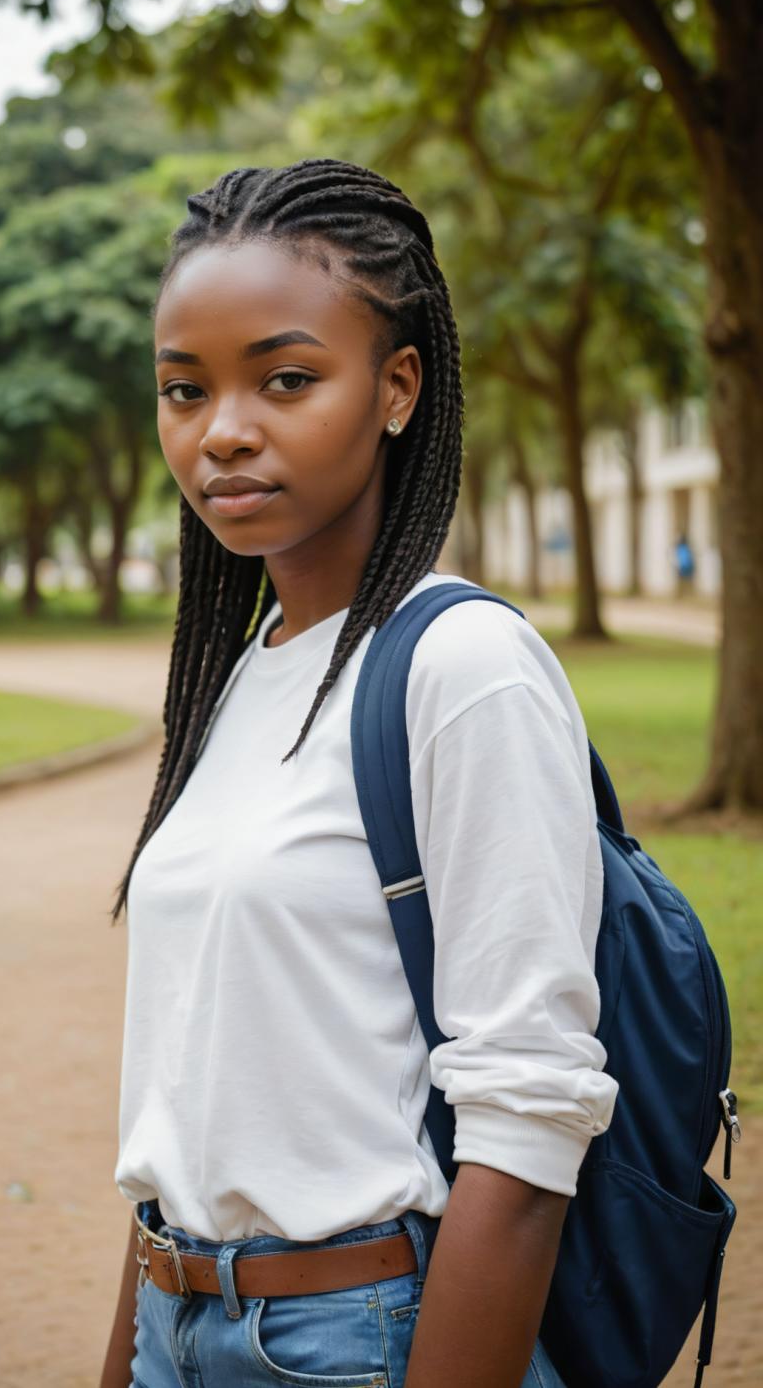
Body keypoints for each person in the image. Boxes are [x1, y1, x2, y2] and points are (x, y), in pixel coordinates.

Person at [100, 158, 619, 1388]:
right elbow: (192, 1098)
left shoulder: (462, 667)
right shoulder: (233, 681)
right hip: (179, 1312)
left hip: (352, 1339)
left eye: (285, 379)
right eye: (185, 389)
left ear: (395, 388)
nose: (222, 429)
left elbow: (529, 1115)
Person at [675, 530, 696, 598]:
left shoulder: (680, 548)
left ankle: (682, 594)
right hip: (688, 566)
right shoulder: (687, 547)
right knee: (687, 580)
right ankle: (686, 594)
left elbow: (679, 558)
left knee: (682, 580)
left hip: (683, 566)